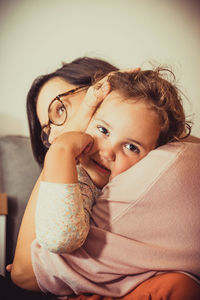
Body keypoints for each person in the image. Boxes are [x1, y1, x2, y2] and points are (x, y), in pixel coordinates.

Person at [6, 57, 200, 299]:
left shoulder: (169, 161)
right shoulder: (81, 176)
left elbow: (27, 271)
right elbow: (32, 266)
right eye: (47, 130)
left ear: (99, 90)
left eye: (61, 109)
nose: (57, 134)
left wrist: (62, 150)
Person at [35, 68, 190, 255]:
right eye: (103, 130)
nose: (108, 152)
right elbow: (59, 239)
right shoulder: (80, 179)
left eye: (131, 147)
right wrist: (61, 151)